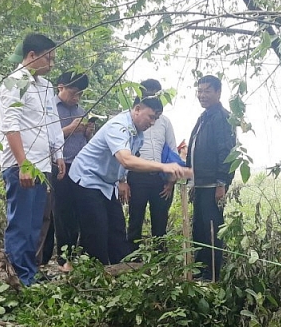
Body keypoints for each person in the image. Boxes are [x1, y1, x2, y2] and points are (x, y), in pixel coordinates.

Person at [68, 97, 191, 265]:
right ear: (137, 109)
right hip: (87, 178)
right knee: (97, 228)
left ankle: (120, 271)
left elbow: (128, 163)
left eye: (156, 118)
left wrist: (121, 179)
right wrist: (162, 167)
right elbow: (126, 159)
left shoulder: (138, 134)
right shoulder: (119, 127)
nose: (153, 122)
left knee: (117, 228)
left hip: (107, 183)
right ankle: (98, 275)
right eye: (151, 117)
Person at [0, 33, 65, 286]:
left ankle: (31, 271)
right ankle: (19, 275)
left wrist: (58, 153)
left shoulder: (46, 86)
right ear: (32, 56)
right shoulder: (13, 83)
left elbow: (51, 122)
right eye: (49, 57)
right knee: (21, 222)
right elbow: (10, 126)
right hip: (21, 165)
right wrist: (23, 164)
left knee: (37, 223)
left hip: (43, 163)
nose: (52, 63)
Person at [186, 75, 237, 281]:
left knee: (212, 229)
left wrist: (221, 183)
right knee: (199, 229)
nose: (202, 95)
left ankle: (211, 274)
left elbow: (226, 152)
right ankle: (200, 270)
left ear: (218, 93)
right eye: (200, 91)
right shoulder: (204, 117)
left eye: (207, 91)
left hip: (212, 185)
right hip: (200, 184)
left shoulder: (222, 117)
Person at [125, 79, 178, 250]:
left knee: (160, 220)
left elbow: (172, 150)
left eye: (155, 94)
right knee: (135, 219)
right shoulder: (131, 118)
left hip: (161, 178)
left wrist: (170, 181)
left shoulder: (165, 121)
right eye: (147, 92)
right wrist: (123, 180)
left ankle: (160, 257)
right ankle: (132, 257)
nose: (151, 96)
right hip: (137, 176)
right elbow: (123, 153)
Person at [50, 70, 90, 271]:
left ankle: (76, 255)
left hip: (79, 167)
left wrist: (88, 132)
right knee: (61, 212)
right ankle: (62, 257)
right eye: (73, 93)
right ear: (61, 87)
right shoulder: (49, 109)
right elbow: (47, 138)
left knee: (78, 212)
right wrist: (69, 129)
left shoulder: (80, 111)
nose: (77, 98)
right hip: (59, 165)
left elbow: (84, 141)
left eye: (80, 94)